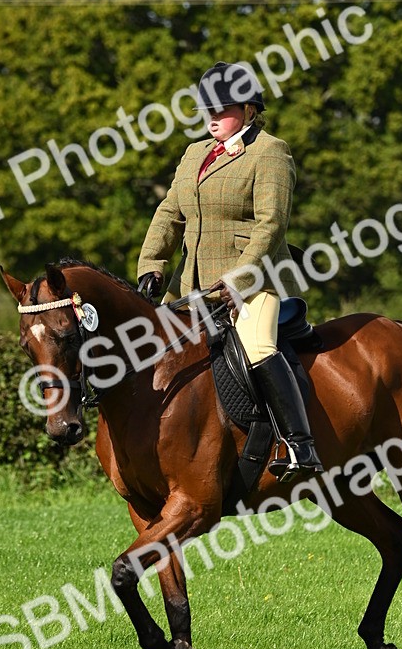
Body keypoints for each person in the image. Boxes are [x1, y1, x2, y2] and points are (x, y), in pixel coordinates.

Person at [137, 61, 323, 478]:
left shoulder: (269, 152)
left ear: (250, 110)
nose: (212, 119)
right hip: (192, 284)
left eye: (222, 110)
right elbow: (169, 212)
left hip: (254, 282)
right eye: (208, 110)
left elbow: (271, 223)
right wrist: (152, 263)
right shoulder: (193, 154)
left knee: (257, 347)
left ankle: (299, 446)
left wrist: (238, 278)